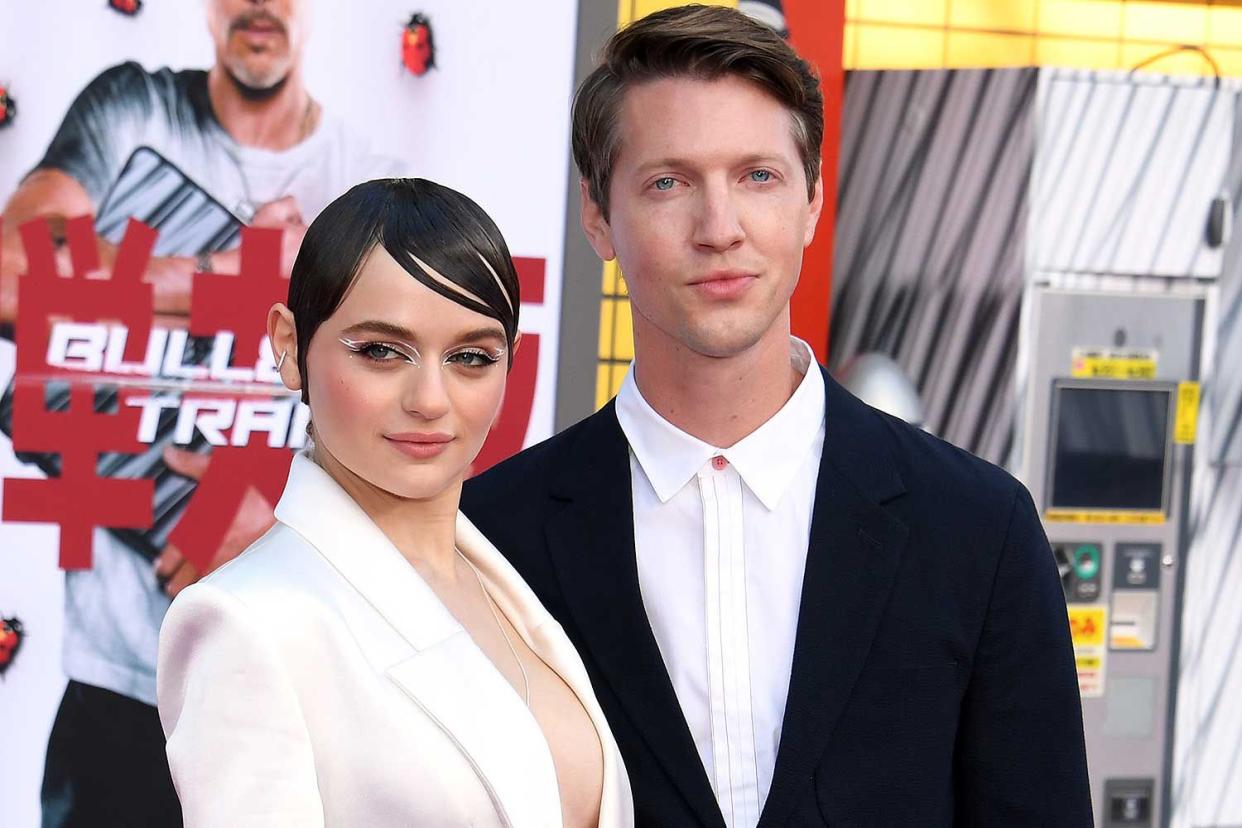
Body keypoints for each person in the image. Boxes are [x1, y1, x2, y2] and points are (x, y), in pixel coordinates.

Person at [462, 6, 1093, 827]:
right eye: (668, 182)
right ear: (596, 217)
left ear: (812, 200)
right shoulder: (494, 539)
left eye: (758, 176)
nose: (719, 229)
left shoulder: (978, 529)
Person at [0, 1, 405, 824]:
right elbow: (12, 273)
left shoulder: (368, 185)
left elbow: (423, 436)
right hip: (119, 694)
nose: (260, 6)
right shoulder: (132, 111)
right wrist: (230, 277)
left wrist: (278, 523)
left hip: (295, 700)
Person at [156, 178, 632, 828]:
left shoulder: (514, 582)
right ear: (290, 347)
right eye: (381, 351)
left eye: (471, 357)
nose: (430, 399)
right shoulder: (249, 622)